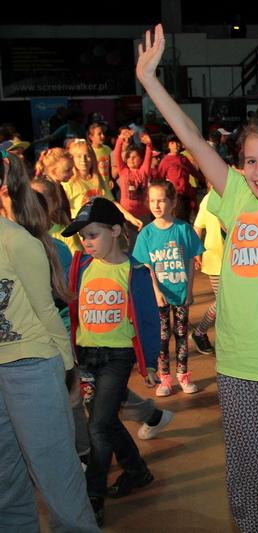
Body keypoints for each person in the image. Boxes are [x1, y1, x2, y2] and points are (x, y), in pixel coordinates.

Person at [137, 6, 258, 530]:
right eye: (250, 161)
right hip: (235, 364)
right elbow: (192, 138)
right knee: (243, 480)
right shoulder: (237, 199)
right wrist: (150, 81)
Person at [0, 154, 100, 532]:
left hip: (32, 366)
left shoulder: (17, 241)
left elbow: (46, 312)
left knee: (56, 473)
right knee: (6, 481)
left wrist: (68, 372)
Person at [62, 197, 160, 527]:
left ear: (116, 231)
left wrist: (150, 363)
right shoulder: (81, 266)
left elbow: (148, 319)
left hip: (117, 358)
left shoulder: (134, 272)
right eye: (83, 237)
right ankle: (136, 470)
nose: (86, 243)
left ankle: (94, 494)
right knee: (105, 422)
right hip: (87, 357)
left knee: (98, 426)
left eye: (93, 235)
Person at [133, 180, 204, 395]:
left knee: (181, 335)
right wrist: (155, 291)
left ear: (172, 202)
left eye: (161, 200)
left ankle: (183, 375)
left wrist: (189, 290)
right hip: (159, 296)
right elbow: (146, 267)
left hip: (181, 294)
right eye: (152, 201)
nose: (156, 205)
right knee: (162, 337)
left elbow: (191, 260)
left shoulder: (184, 229)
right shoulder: (146, 233)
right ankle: (165, 378)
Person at [191, 190, 225, 354]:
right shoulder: (208, 199)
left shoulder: (238, 194)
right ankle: (199, 332)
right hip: (215, 259)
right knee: (223, 302)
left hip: (235, 259)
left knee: (230, 303)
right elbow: (198, 227)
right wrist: (196, 251)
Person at [155, 134, 203, 221]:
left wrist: (205, 179)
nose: (176, 145)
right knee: (178, 218)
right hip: (175, 195)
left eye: (177, 142)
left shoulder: (184, 159)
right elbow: (159, 178)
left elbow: (194, 172)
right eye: (172, 143)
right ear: (168, 145)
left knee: (187, 218)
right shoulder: (165, 161)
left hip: (187, 193)